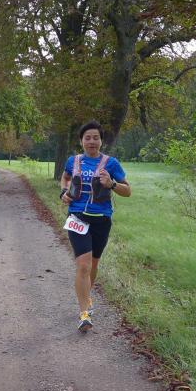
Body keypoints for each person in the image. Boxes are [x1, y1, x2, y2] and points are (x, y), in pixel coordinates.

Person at [60, 120, 131, 332]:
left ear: (101, 141)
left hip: (101, 219)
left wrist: (112, 184)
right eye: (88, 138)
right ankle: (84, 314)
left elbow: (128, 191)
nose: (92, 141)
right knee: (83, 265)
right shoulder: (73, 161)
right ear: (81, 141)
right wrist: (63, 192)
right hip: (77, 217)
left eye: (96, 138)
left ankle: (87, 297)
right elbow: (65, 178)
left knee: (93, 264)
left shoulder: (111, 163)